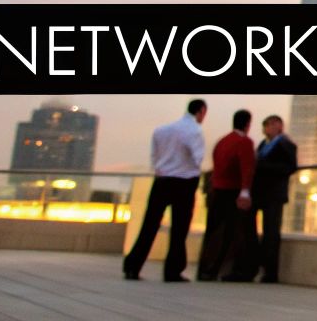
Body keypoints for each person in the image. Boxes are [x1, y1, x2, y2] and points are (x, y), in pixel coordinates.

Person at [123, 98, 209, 282]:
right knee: (179, 229)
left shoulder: (162, 130)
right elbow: (197, 159)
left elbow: (154, 156)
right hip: (184, 182)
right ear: (201, 111)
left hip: (161, 180)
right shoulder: (195, 131)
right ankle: (173, 270)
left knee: (149, 225)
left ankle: (132, 266)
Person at [199, 108, 258, 281]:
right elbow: (247, 168)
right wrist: (245, 192)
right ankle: (229, 269)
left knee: (214, 230)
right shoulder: (245, 142)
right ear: (248, 124)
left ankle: (206, 269)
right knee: (234, 232)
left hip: (217, 191)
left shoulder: (222, 141)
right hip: (234, 192)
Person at [251, 114, 299, 284]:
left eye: (270, 125)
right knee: (258, 231)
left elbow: (291, 167)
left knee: (271, 233)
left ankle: (270, 272)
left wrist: (263, 165)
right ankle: (256, 266)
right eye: (265, 125)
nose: (266, 128)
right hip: (260, 193)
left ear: (279, 126)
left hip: (274, 194)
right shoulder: (264, 145)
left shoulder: (285, 144)